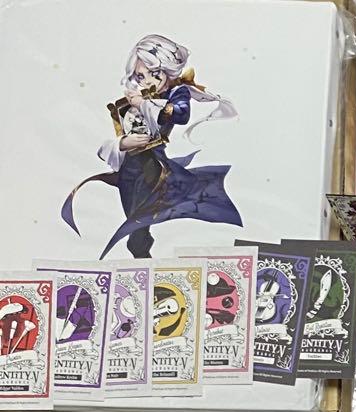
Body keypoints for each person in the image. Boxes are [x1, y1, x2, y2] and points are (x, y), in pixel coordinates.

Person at [62, 34, 240, 259]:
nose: (147, 81)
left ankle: (141, 251)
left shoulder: (176, 92)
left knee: (138, 227)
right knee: (133, 220)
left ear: (168, 69)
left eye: (154, 74)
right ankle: (141, 255)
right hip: (129, 168)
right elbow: (120, 132)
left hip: (152, 166)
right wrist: (124, 143)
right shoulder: (134, 97)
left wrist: (145, 104)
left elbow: (181, 114)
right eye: (140, 76)